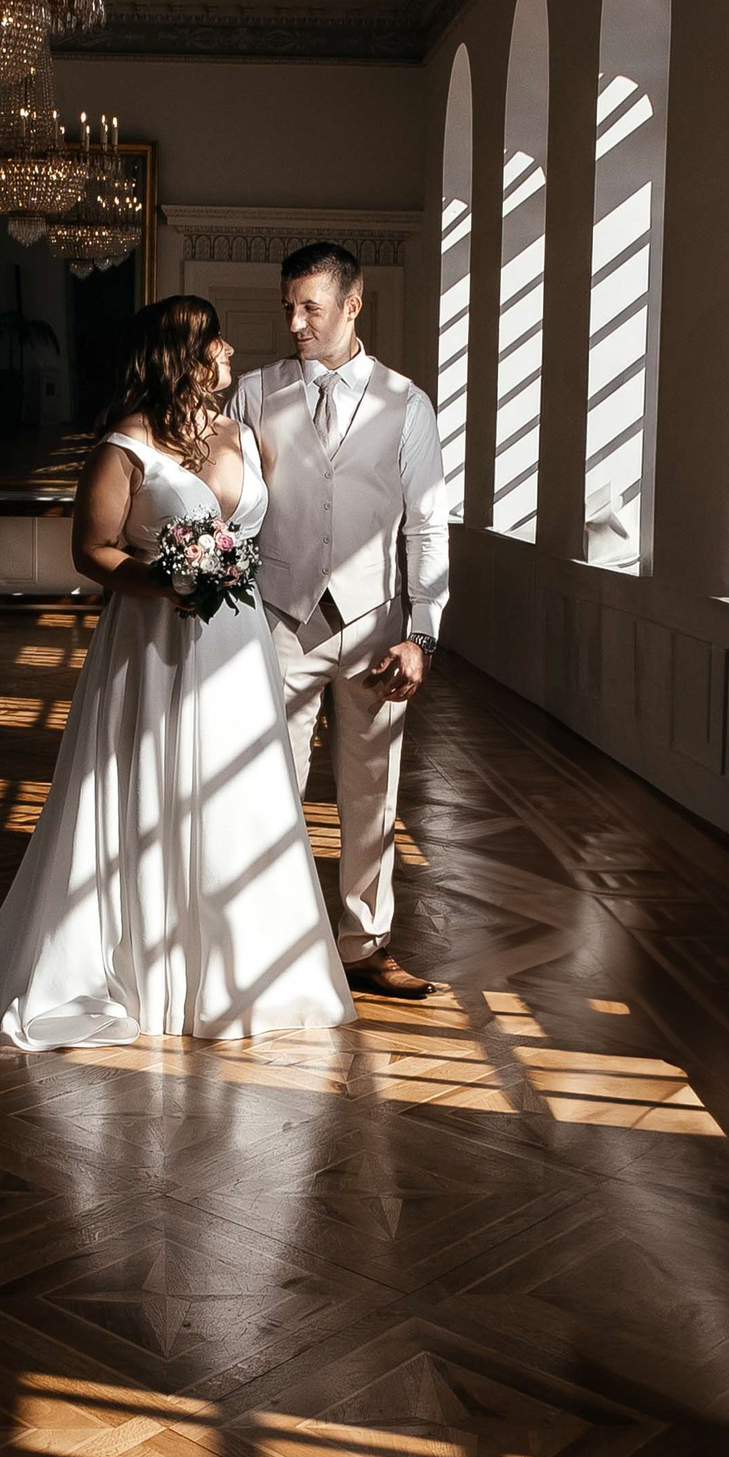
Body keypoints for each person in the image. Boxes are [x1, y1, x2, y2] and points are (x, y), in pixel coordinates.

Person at [0, 296, 355, 1051]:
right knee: (151, 789)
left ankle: (247, 973)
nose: (230, 349)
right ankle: (141, 970)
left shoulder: (243, 433)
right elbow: (93, 551)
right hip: (153, 644)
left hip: (237, 649)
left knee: (237, 793)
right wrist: (169, 581)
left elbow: (258, 535)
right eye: (215, 339)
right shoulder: (125, 445)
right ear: (184, 353)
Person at [232, 239, 449, 1001]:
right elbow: (227, 505)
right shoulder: (254, 393)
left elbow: (426, 524)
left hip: (374, 625)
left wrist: (421, 633)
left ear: (352, 305)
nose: (294, 321)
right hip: (279, 621)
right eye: (288, 306)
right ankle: (270, 946)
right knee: (271, 789)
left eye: (310, 307)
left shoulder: (406, 403)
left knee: (373, 794)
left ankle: (365, 944)